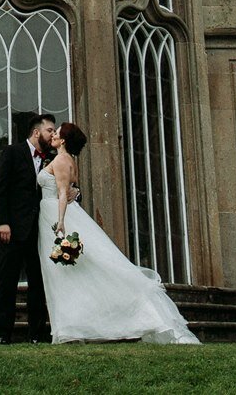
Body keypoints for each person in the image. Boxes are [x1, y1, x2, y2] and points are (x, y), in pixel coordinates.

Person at [36, 122, 199, 344]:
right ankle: (68, 326)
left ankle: (70, 328)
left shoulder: (62, 160)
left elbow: (64, 194)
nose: (53, 134)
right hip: (50, 215)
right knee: (64, 273)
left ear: (63, 140)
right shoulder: (64, 160)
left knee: (68, 271)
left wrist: (61, 222)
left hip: (57, 216)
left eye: (57, 132)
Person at [0, 111, 57, 343]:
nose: (53, 135)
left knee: (38, 284)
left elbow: (65, 188)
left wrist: (74, 193)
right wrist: (2, 221)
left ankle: (37, 333)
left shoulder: (54, 157)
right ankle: (3, 333)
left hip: (41, 232)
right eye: (50, 130)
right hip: (14, 229)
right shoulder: (13, 153)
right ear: (36, 132)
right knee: (6, 283)